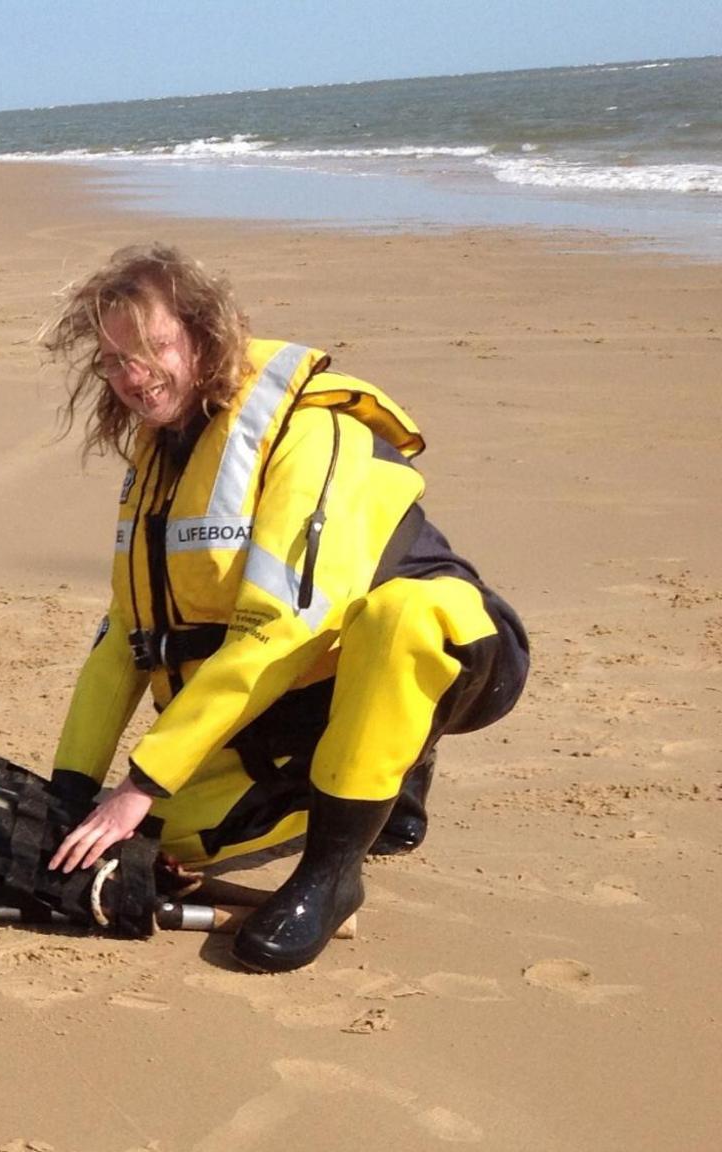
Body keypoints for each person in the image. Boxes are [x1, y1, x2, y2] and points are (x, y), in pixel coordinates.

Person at [36, 244, 528, 971]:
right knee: (151, 842)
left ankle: (331, 876)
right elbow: (124, 641)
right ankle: (382, 787)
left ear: (204, 337)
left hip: (455, 650)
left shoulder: (307, 432)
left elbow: (280, 629)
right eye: (113, 360)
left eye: (154, 347)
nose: (133, 377)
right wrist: (70, 796)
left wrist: (139, 785)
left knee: (398, 621)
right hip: (295, 703)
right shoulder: (157, 462)